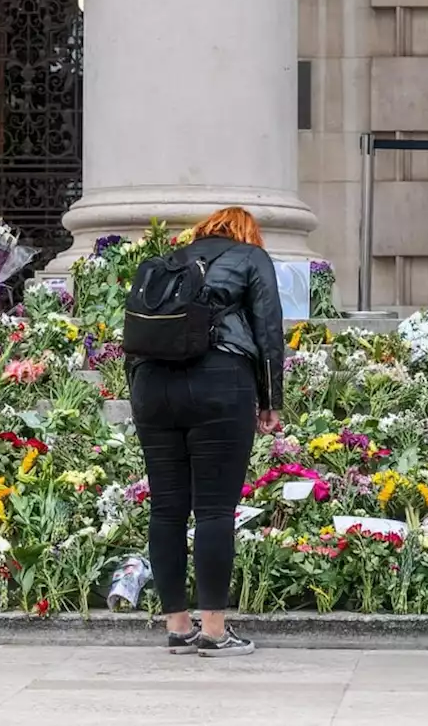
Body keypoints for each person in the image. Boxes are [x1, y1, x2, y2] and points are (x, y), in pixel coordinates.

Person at [127, 206, 285, 657]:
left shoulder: (169, 261)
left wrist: (139, 393)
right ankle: (214, 630)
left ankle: (177, 626)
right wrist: (271, 400)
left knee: (167, 508)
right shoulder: (252, 258)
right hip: (220, 380)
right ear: (246, 233)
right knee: (215, 510)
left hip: (152, 386)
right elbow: (268, 330)